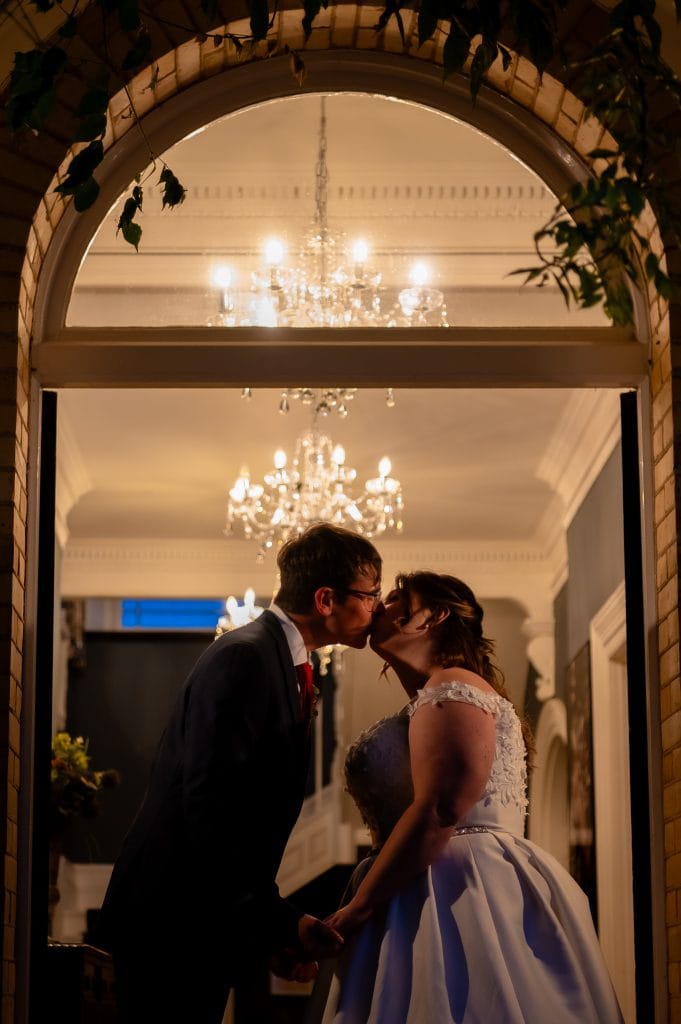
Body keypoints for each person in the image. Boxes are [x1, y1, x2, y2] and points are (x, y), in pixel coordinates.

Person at [306, 571, 623, 1024]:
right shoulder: (436, 693)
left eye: (396, 599)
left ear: (433, 616)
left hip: (462, 887)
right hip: (418, 876)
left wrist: (358, 910)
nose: (380, 606)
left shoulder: (452, 684)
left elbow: (440, 808)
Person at [96, 523, 382, 1024]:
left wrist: (262, 933)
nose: (377, 608)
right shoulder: (246, 657)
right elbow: (212, 811)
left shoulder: (283, 661)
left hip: (199, 917)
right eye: (371, 594)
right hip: (170, 919)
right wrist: (282, 925)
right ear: (325, 599)